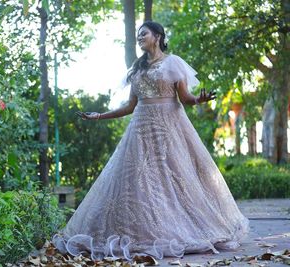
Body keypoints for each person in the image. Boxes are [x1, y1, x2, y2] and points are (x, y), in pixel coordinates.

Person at [52, 21, 249, 261]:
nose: (139, 37)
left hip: (170, 128)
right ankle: (140, 233)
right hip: (140, 129)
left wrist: (199, 99)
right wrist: (99, 116)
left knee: (176, 177)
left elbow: (185, 98)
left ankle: (183, 228)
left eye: (143, 33)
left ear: (157, 36)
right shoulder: (136, 70)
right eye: (137, 35)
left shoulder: (172, 62)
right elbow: (130, 106)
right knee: (138, 181)